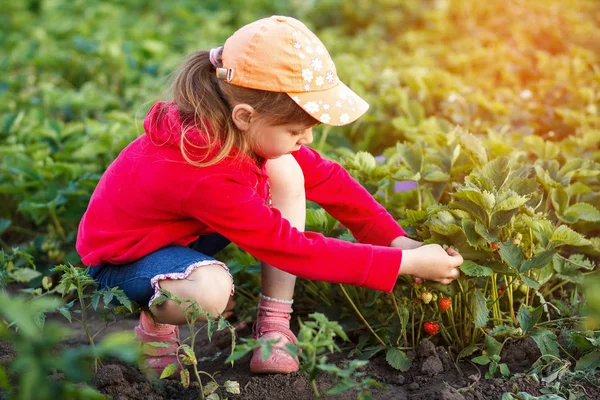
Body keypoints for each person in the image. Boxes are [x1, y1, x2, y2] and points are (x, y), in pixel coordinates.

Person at [75, 15, 463, 376]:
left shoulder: (233, 128)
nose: (307, 139)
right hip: (122, 261)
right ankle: (157, 323)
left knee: (286, 168)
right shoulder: (205, 174)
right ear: (245, 116)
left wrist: (396, 240)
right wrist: (405, 264)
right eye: (297, 130)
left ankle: (274, 326)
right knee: (209, 292)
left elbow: (329, 179)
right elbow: (295, 249)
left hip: (178, 233)